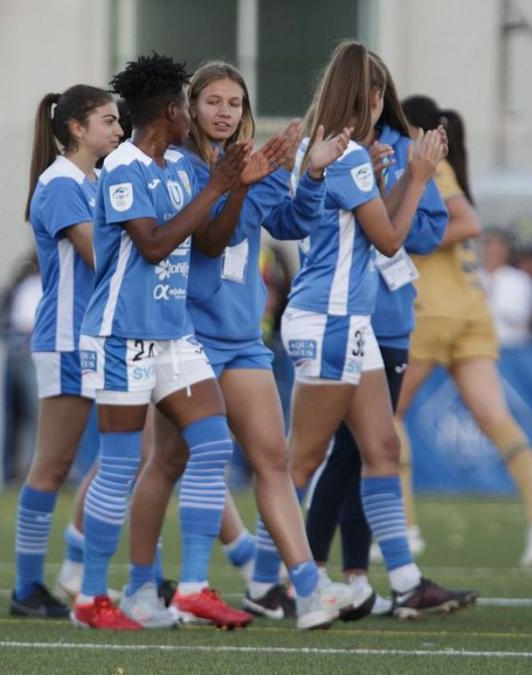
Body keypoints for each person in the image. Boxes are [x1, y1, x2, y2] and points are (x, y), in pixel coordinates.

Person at [131, 60, 358, 630]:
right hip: (185, 334)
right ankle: (147, 586)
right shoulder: (180, 165)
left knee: (272, 460)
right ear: (190, 107)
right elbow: (212, 241)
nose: (224, 111)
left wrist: (309, 176)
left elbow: (292, 225)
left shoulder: (255, 160)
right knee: (169, 460)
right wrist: (242, 182)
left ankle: (307, 589)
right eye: (212, 101)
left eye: (234, 102)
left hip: (240, 337)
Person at [281, 42, 475, 620]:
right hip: (330, 317)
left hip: (350, 318)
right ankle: (275, 580)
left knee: (380, 447)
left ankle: (405, 581)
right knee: (302, 462)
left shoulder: (343, 152)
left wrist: (399, 181)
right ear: (364, 94)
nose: (380, 99)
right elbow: (391, 240)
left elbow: (378, 229)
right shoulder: (345, 155)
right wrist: (417, 177)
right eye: (376, 89)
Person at [70, 53, 255, 630]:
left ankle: (195, 586)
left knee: (214, 445)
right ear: (173, 111)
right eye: (188, 105)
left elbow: (209, 241)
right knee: (121, 467)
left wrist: (239, 188)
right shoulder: (122, 166)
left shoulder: (177, 166)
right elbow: (151, 245)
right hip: (121, 335)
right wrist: (217, 186)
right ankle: (90, 599)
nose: (195, 116)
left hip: (174, 335)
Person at [397, 96, 532, 567]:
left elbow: (467, 222)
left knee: (386, 415)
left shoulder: (429, 164)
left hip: (432, 309)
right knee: (494, 418)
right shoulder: (447, 167)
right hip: (472, 311)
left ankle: (405, 527)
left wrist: (408, 235)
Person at [9, 84, 122, 618]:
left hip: (100, 336)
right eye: (108, 121)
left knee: (127, 456)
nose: (119, 130)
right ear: (76, 128)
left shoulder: (97, 180)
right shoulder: (59, 183)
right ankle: (27, 589)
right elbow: (102, 257)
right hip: (68, 338)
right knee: (51, 466)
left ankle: (76, 568)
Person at [479, 229, 532, 345]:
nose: (493, 249)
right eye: (489, 243)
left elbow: (521, 317)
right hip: (478, 348)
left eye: (499, 244)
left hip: (512, 348)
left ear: (506, 249)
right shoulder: (471, 277)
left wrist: (486, 301)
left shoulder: (520, 280)